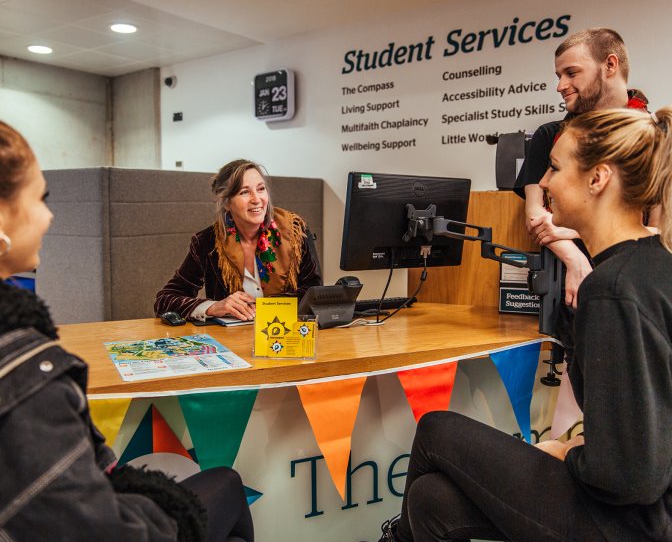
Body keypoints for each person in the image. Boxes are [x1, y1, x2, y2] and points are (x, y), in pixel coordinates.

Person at [0, 110, 254, 542]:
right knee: (225, 486)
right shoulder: (13, 367)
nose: (50, 218)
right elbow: (95, 525)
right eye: (41, 200)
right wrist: (213, 305)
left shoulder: (293, 236)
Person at [376, 106, 672, 542]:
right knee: (431, 500)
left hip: (626, 523)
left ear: (598, 178)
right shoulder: (654, 265)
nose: (545, 182)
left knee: (435, 428)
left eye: (554, 167)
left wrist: (561, 452)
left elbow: (629, 477)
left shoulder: (612, 290)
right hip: (644, 511)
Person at [514, 27, 650, 358]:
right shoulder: (550, 136)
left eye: (571, 72)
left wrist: (571, 230)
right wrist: (575, 260)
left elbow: (651, 224)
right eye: (558, 74)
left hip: (634, 288)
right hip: (573, 293)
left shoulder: (652, 136)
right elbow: (537, 213)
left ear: (610, 65)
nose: (560, 85)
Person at [155, 159, 322, 322]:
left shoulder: (294, 231)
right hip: (232, 342)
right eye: (244, 192)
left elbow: (314, 292)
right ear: (227, 202)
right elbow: (165, 299)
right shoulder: (208, 242)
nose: (256, 199)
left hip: (288, 336)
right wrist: (214, 307)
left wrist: (265, 306)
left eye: (261, 189)